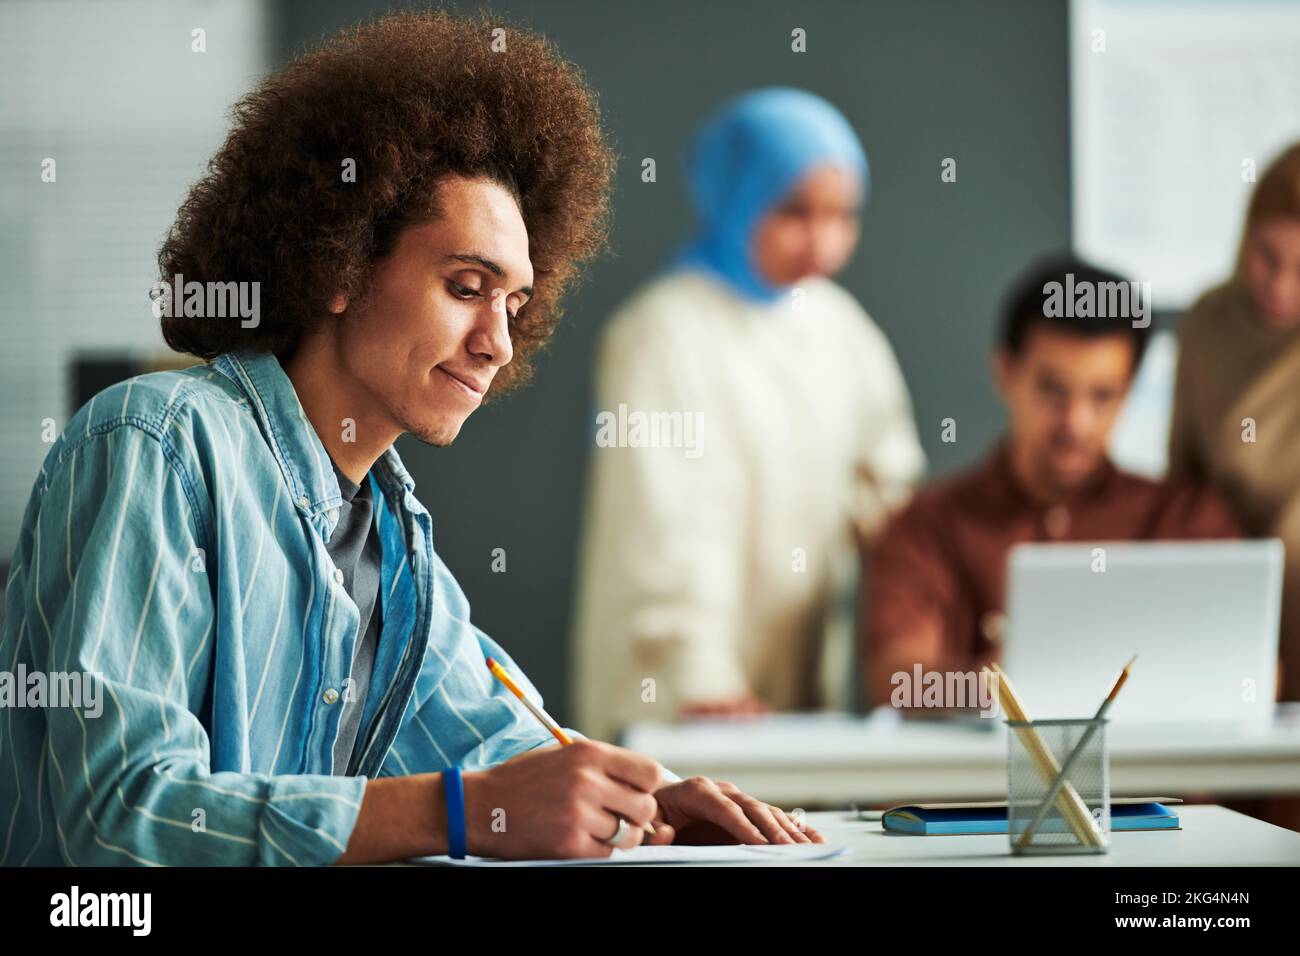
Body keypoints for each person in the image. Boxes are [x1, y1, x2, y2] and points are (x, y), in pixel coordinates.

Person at [0, 11, 821, 867]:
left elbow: (495, 749)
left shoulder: (388, 528)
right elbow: (118, 816)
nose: (498, 342)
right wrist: (457, 813)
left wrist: (642, 800)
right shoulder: (156, 446)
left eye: (516, 305)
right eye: (468, 285)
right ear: (341, 264)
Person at [574, 88, 925, 741]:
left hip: (799, 687)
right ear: (735, 194)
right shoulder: (662, 331)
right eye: (794, 210)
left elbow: (891, 496)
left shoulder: (841, 328)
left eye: (842, 215)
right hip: (680, 699)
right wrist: (700, 679)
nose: (822, 240)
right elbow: (659, 528)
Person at [865, 257, 1240, 708]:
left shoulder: (1187, 520)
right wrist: (1007, 684)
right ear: (1006, 372)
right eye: (1053, 391)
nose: (1076, 424)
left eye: (1103, 395)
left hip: (1152, 782)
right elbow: (896, 681)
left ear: (1132, 387)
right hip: (986, 780)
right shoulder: (928, 526)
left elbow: (1254, 676)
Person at [1169, 142, 1300, 703]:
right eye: (1267, 256)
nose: (1282, 284)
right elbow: (1183, 485)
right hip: (1230, 615)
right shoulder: (1208, 325)